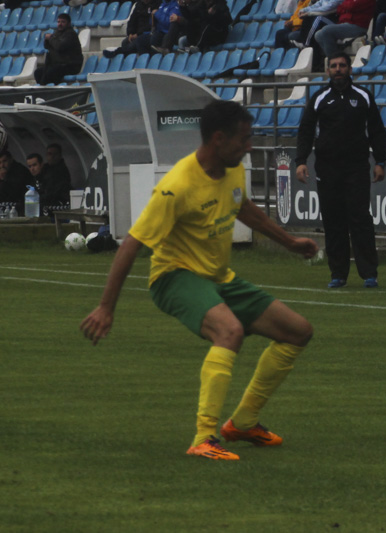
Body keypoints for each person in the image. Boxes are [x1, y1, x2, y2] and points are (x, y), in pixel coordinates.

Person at [79, 101, 320, 461]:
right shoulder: (177, 186)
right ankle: (204, 437)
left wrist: (289, 242)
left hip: (220, 278)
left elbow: (243, 207)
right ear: (218, 139)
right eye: (244, 139)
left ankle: (243, 423)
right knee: (230, 332)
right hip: (174, 277)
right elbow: (131, 244)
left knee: (298, 331)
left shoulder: (232, 168)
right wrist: (105, 307)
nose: (249, 146)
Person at [296, 53, 386, 288]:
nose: (338, 69)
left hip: (356, 168)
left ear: (349, 69)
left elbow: (377, 130)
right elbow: (305, 130)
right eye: (334, 66)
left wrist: (380, 161)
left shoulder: (364, 97)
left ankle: (369, 273)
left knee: (361, 220)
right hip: (327, 168)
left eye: (342, 66)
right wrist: (301, 161)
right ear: (328, 71)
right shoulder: (319, 98)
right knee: (333, 222)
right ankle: (337, 274)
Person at [34, 13, 83, 85]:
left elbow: (60, 46)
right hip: (58, 64)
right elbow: (48, 46)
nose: (60, 24)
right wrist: (47, 40)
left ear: (68, 23)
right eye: (58, 22)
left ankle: (47, 90)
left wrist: (50, 38)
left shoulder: (70, 34)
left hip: (70, 65)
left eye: (63, 22)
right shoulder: (57, 33)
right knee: (38, 72)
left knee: (51, 72)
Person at [0, 150, 35, 214]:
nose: (2, 165)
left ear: (11, 159)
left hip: (20, 207)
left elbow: (14, 192)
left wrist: (3, 180)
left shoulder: (20, 171)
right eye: (0, 163)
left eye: (4, 161)